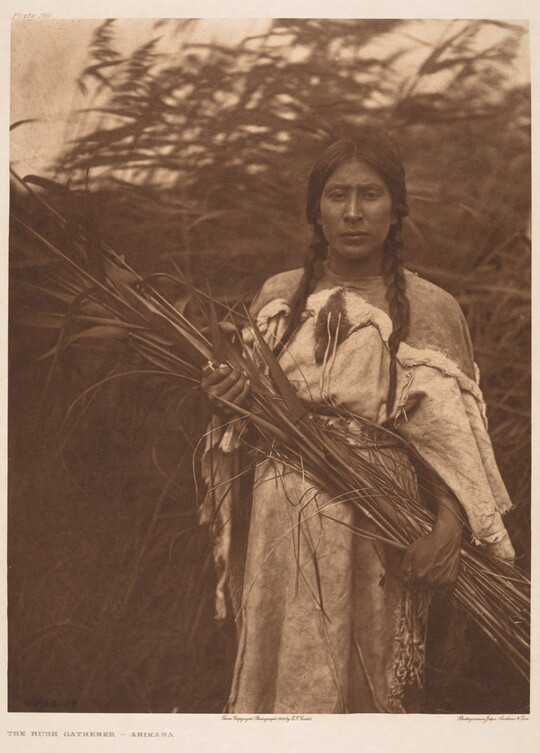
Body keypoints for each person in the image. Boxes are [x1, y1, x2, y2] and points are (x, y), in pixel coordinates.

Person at [199, 129, 515, 713]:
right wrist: (227, 400)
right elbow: (246, 418)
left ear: (396, 210)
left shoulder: (431, 308)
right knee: (286, 676)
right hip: (280, 521)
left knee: (368, 682)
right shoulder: (278, 297)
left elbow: (455, 449)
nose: (352, 213)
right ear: (315, 211)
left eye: (369, 195)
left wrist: (448, 531)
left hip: (379, 526)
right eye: (336, 195)